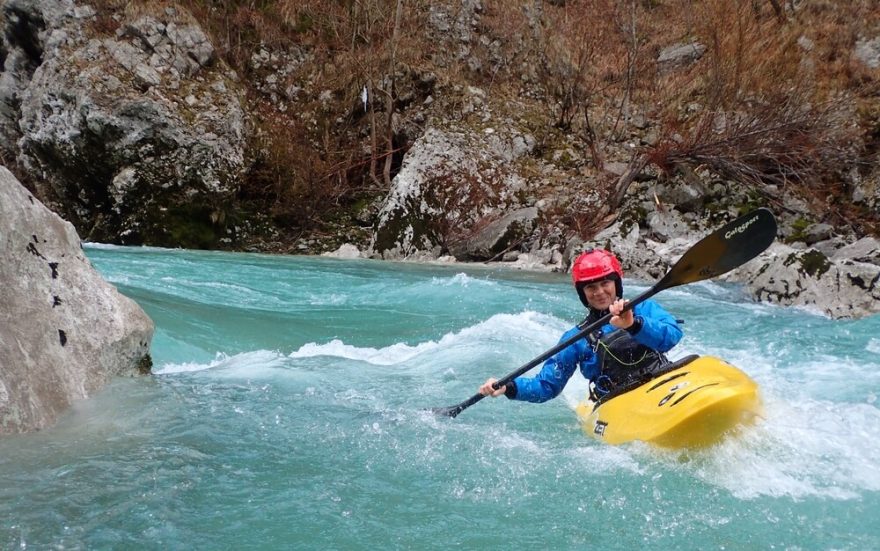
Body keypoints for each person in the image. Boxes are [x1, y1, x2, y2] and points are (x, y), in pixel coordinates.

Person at [479, 248, 682, 403]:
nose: (600, 292)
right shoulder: (576, 338)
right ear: (582, 294)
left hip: (662, 382)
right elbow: (547, 386)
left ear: (616, 284)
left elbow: (672, 336)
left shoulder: (642, 309)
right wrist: (510, 387)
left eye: (605, 283)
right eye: (591, 287)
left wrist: (633, 324)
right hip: (618, 402)